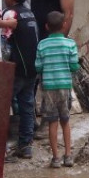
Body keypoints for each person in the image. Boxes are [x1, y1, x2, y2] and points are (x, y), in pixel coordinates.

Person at [35, 11, 80, 168]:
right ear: (64, 26)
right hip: (64, 87)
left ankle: (55, 158)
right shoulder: (70, 44)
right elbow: (74, 65)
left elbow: (38, 66)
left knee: (52, 122)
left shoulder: (42, 45)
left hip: (48, 88)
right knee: (65, 121)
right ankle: (68, 156)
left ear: (46, 26)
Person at [2, 0, 40, 160]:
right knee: (27, 107)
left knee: (1, 107)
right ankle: (26, 146)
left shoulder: (11, 13)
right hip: (32, 69)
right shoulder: (30, 13)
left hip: (16, 70)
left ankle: (1, 148)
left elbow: (4, 40)